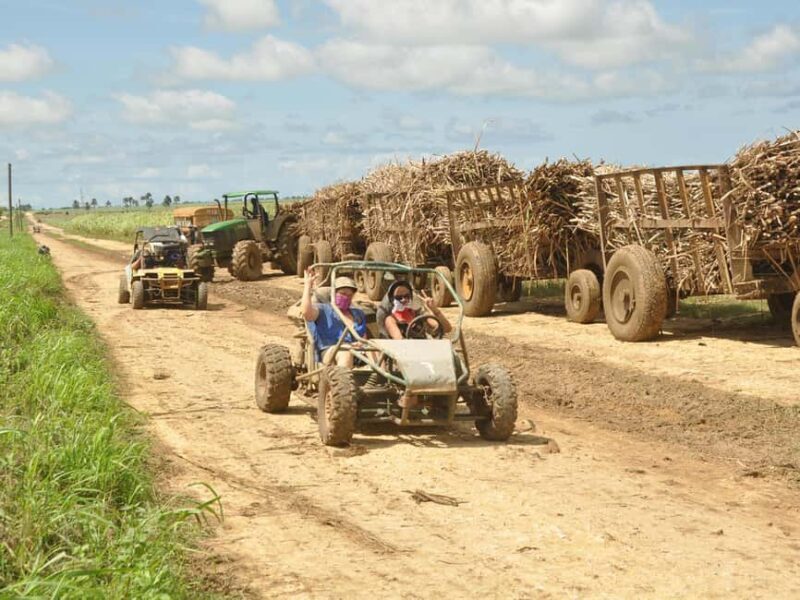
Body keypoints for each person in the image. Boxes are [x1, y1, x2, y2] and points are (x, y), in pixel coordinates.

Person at [301, 267, 367, 367]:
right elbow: (306, 313)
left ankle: (385, 381)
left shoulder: (357, 314)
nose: (346, 297)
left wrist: (360, 344)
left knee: (376, 350)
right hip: (330, 352)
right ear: (333, 294)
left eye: (350, 295)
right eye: (343, 293)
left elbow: (363, 338)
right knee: (345, 352)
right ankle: (343, 382)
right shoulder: (324, 310)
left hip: (356, 352)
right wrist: (307, 286)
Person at [379, 280, 452, 340]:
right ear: (392, 300)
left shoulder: (419, 314)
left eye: (406, 296)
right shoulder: (390, 320)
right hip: (406, 354)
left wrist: (434, 309)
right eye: (399, 297)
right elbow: (399, 341)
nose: (404, 300)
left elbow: (447, 328)